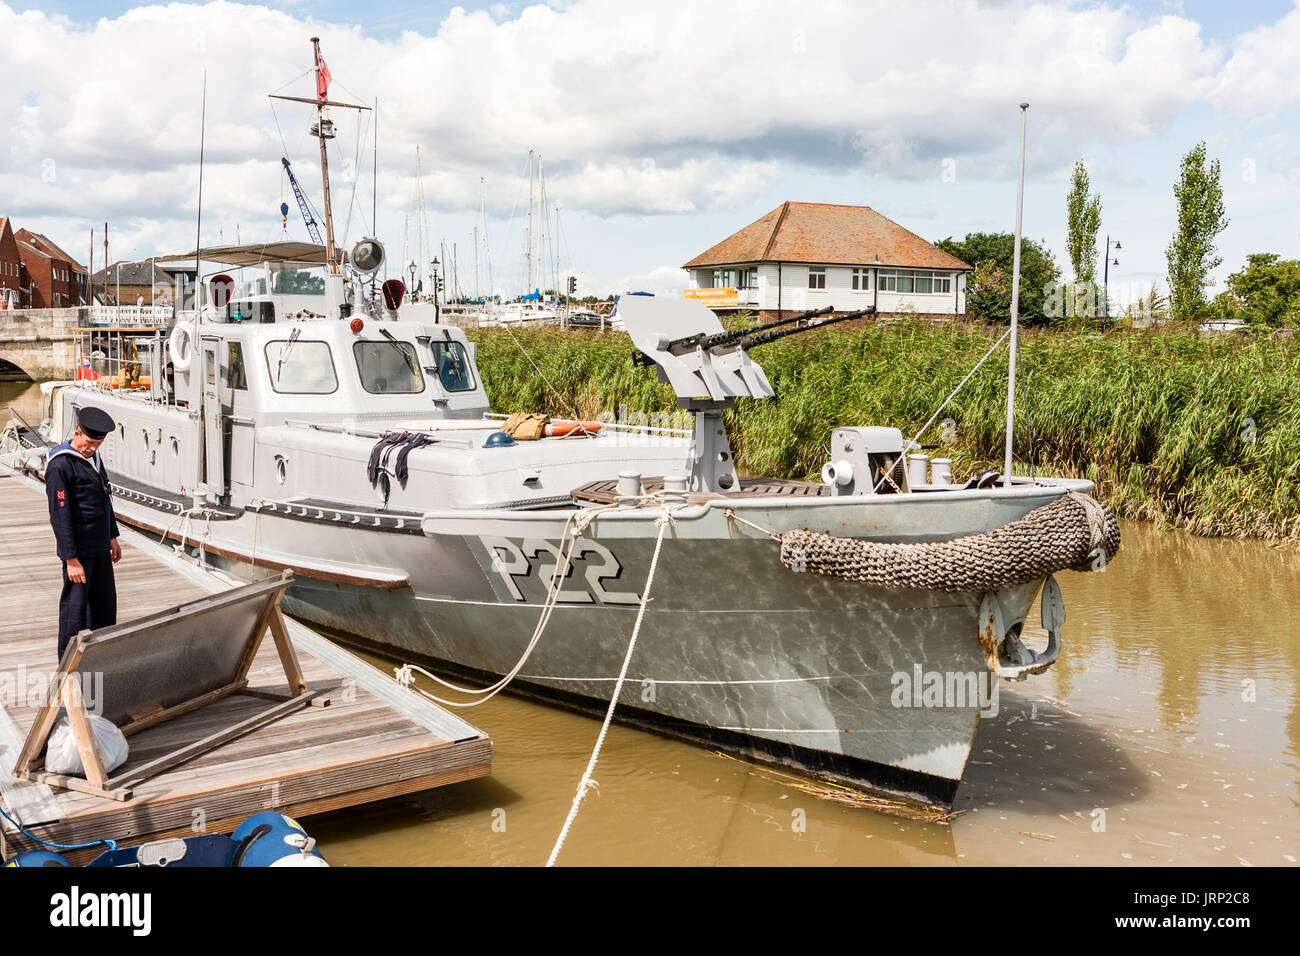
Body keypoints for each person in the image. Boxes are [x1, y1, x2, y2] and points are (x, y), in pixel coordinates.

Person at [46, 406, 121, 661]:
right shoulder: (61, 464)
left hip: (99, 546)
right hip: (79, 552)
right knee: (75, 611)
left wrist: (112, 536)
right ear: (77, 434)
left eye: (97, 444)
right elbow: (60, 516)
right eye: (89, 443)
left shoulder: (93, 458)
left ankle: (99, 658)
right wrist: (70, 559)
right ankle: (68, 666)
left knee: (104, 606)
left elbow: (104, 497)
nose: (92, 449)